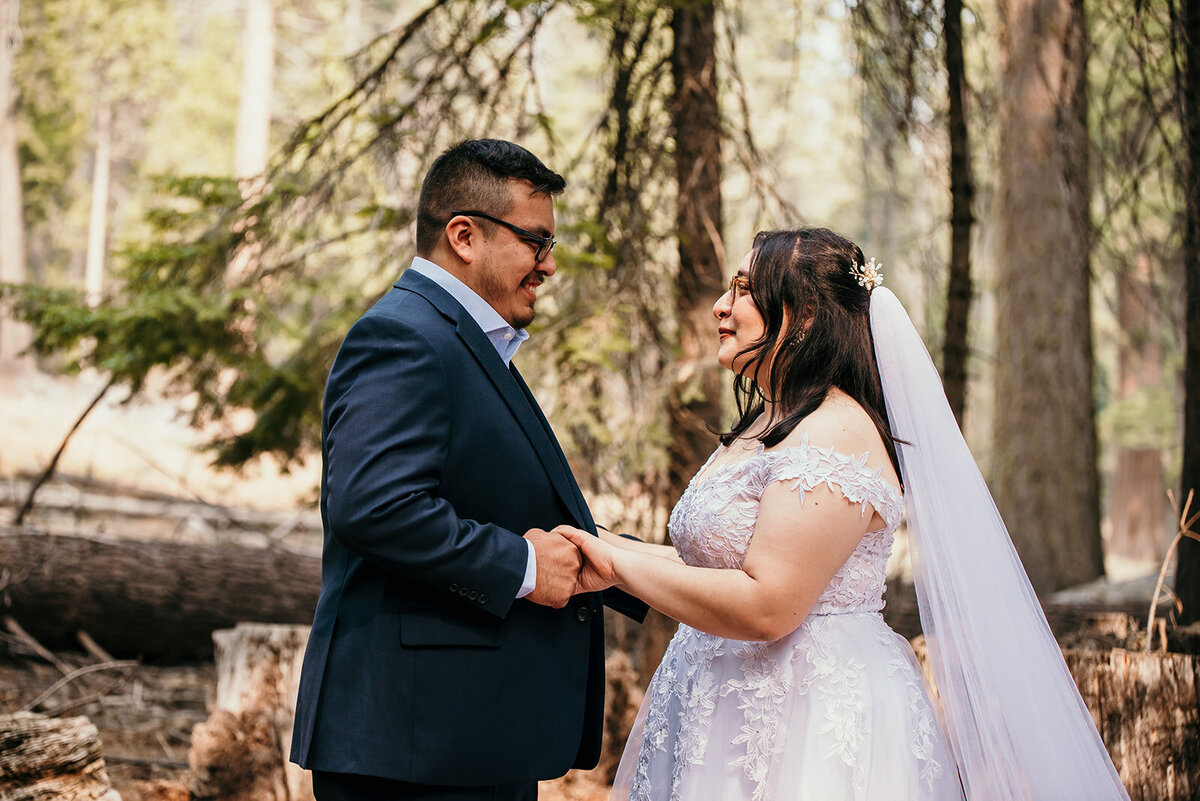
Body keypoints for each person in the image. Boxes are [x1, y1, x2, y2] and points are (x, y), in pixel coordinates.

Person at [557, 227, 1131, 800]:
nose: (720, 307)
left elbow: (768, 604)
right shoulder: (767, 421)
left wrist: (612, 564)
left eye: (744, 290)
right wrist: (599, 542)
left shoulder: (834, 432)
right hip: (714, 708)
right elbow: (703, 560)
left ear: (804, 317)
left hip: (805, 725)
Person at [290, 139, 645, 801]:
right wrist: (525, 566)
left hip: (460, 737)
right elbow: (372, 505)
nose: (548, 266)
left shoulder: (457, 339)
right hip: (411, 747)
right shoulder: (404, 336)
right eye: (535, 242)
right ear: (464, 235)